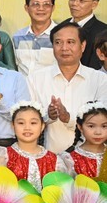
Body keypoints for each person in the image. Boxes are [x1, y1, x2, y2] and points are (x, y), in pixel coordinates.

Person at [28, 23, 107, 153]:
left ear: (83, 46)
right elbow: (28, 120)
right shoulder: (36, 79)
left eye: (70, 42)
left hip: (92, 160)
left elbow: (103, 122)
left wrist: (67, 117)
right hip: (50, 160)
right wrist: (49, 115)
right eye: (58, 42)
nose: (64, 48)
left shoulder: (100, 80)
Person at [60, 0, 105, 70]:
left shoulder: (103, 32)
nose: (74, 4)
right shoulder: (61, 27)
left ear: (94, 4)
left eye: (81, 1)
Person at [12, 0, 57, 76]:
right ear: (26, 8)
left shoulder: (61, 35)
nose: (41, 8)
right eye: (36, 4)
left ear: (53, 8)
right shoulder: (18, 37)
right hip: (23, 89)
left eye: (46, 4)